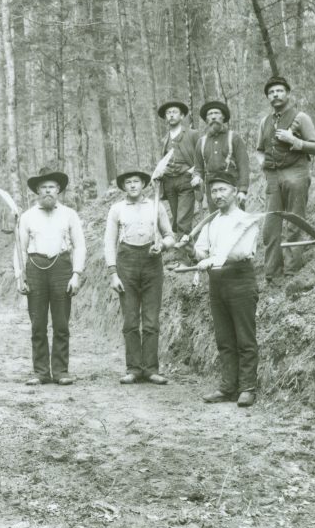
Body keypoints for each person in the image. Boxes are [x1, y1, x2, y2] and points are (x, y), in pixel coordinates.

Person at [193, 172, 262, 408]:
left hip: (240, 280)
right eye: (214, 191)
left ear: (234, 191)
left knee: (244, 336)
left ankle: (247, 388)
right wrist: (203, 255)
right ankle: (228, 387)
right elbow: (200, 248)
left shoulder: (247, 219)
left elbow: (241, 252)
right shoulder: (212, 222)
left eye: (223, 190)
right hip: (217, 283)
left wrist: (212, 259)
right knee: (224, 337)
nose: (218, 195)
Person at [14, 167, 86, 386]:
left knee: (61, 323)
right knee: (38, 323)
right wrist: (20, 276)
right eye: (44, 187)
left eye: (52, 187)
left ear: (59, 190)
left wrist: (76, 274)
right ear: (37, 190)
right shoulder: (26, 217)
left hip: (62, 267)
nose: (48, 191)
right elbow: (19, 249)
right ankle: (41, 372)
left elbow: (80, 245)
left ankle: (61, 371)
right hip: (35, 268)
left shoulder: (69, 214)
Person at [104, 170, 176, 385]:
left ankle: (151, 369)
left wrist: (162, 245)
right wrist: (113, 272)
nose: (133, 185)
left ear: (144, 184)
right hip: (127, 263)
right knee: (131, 320)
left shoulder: (156, 206)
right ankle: (134, 368)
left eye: (136, 182)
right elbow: (109, 242)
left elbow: (171, 237)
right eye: (128, 182)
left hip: (152, 263)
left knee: (151, 319)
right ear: (124, 186)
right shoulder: (117, 209)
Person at [256, 76, 315, 281]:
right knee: (270, 226)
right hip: (273, 176)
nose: (275, 95)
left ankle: (292, 271)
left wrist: (294, 140)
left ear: (287, 94)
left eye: (279, 91)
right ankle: (272, 274)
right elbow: (259, 150)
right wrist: (262, 163)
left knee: (294, 221)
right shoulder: (265, 121)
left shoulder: (301, 117)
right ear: (268, 97)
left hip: (296, 172)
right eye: (271, 92)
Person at [194, 100, 250, 212]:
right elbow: (198, 168)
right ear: (206, 120)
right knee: (216, 221)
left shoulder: (234, 138)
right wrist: (197, 177)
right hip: (212, 189)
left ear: (223, 117)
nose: (213, 117)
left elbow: (243, 166)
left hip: (232, 186)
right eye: (210, 114)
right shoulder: (201, 142)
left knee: (236, 221)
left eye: (217, 113)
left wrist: (242, 190)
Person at [156, 100, 200, 242]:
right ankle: (189, 250)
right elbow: (162, 161)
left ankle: (182, 256)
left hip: (186, 180)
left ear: (182, 116)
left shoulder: (193, 134)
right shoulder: (164, 140)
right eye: (168, 113)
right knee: (176, 219)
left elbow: (201, 156)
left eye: (174, 112)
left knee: (183, 219)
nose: (171, 115)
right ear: (165, 118)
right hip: (168, 181)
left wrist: (195, 172)